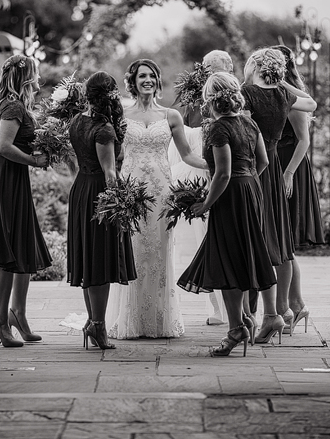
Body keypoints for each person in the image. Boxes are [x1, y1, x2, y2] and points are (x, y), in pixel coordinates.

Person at [177, 72, 280, 357]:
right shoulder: (250, 123)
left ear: (210, 98)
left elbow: (221, 173)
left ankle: (237, 327)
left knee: (226, 259)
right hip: (250, 191)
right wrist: (247, 182)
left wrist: (205, 204)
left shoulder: (218, 129)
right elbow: (263, 161)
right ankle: (242, 321)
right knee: (240, 255)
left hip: (230, 196)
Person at [106, 58, 207, 339]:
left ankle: (160, 321)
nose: (147, 80)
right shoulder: (122, 116)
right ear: (133, 82)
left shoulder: (172, 116)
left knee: (160, 254)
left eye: (151, 75)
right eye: (141, 76)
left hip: (162, 193)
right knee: (134, 252)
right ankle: (130, 320)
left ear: (158, 80)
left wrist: (212, 165)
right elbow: (112, 156)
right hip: (131, 192)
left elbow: (187, 154)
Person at [241, 47, 317, 342]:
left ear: (256, 66)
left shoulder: (247, 91)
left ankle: (258, 314)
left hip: (255, 168)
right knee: (278, 241)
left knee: (256, 238)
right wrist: (283, 81)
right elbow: (310, 103)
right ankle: (279, 311)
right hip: (273, 169)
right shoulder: (284, 96)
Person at [0, 54, 53, 348]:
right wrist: (34, 161)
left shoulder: (17, 105)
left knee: (23, 246)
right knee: (8, 251)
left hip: (14, 180)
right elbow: (3, 147)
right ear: (25, 76)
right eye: (34, 73)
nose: (37, 77)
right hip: (4, 181)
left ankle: (17, 314)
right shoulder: (12, 105)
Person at [67, 71, 137, 350]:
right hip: (100, 195)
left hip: (81, 188)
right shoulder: (104, 129)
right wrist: (121, 204)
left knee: (89, 259)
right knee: (99, 261)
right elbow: (110, 173)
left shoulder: (76, 121)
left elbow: (75, 160)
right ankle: (98, 325)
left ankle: (93, 322)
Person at [168, 50, 234, 326]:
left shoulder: (235, 94)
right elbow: (182, 129)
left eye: (214, 68)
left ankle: (236, 307)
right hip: (199, 164)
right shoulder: (195, 96)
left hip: (226, 162)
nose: (208, 72)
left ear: (229, 67)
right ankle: (218, 307)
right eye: (205, 68)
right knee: (203, 237)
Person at [272, 45, 325, 333]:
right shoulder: (277, 95)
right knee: (284, 244)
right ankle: (297, 305)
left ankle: (291, 308)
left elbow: (303, 141)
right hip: (276, 164)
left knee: (284, 243)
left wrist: (288, 174)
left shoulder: (292, 96)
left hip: (290, 167)